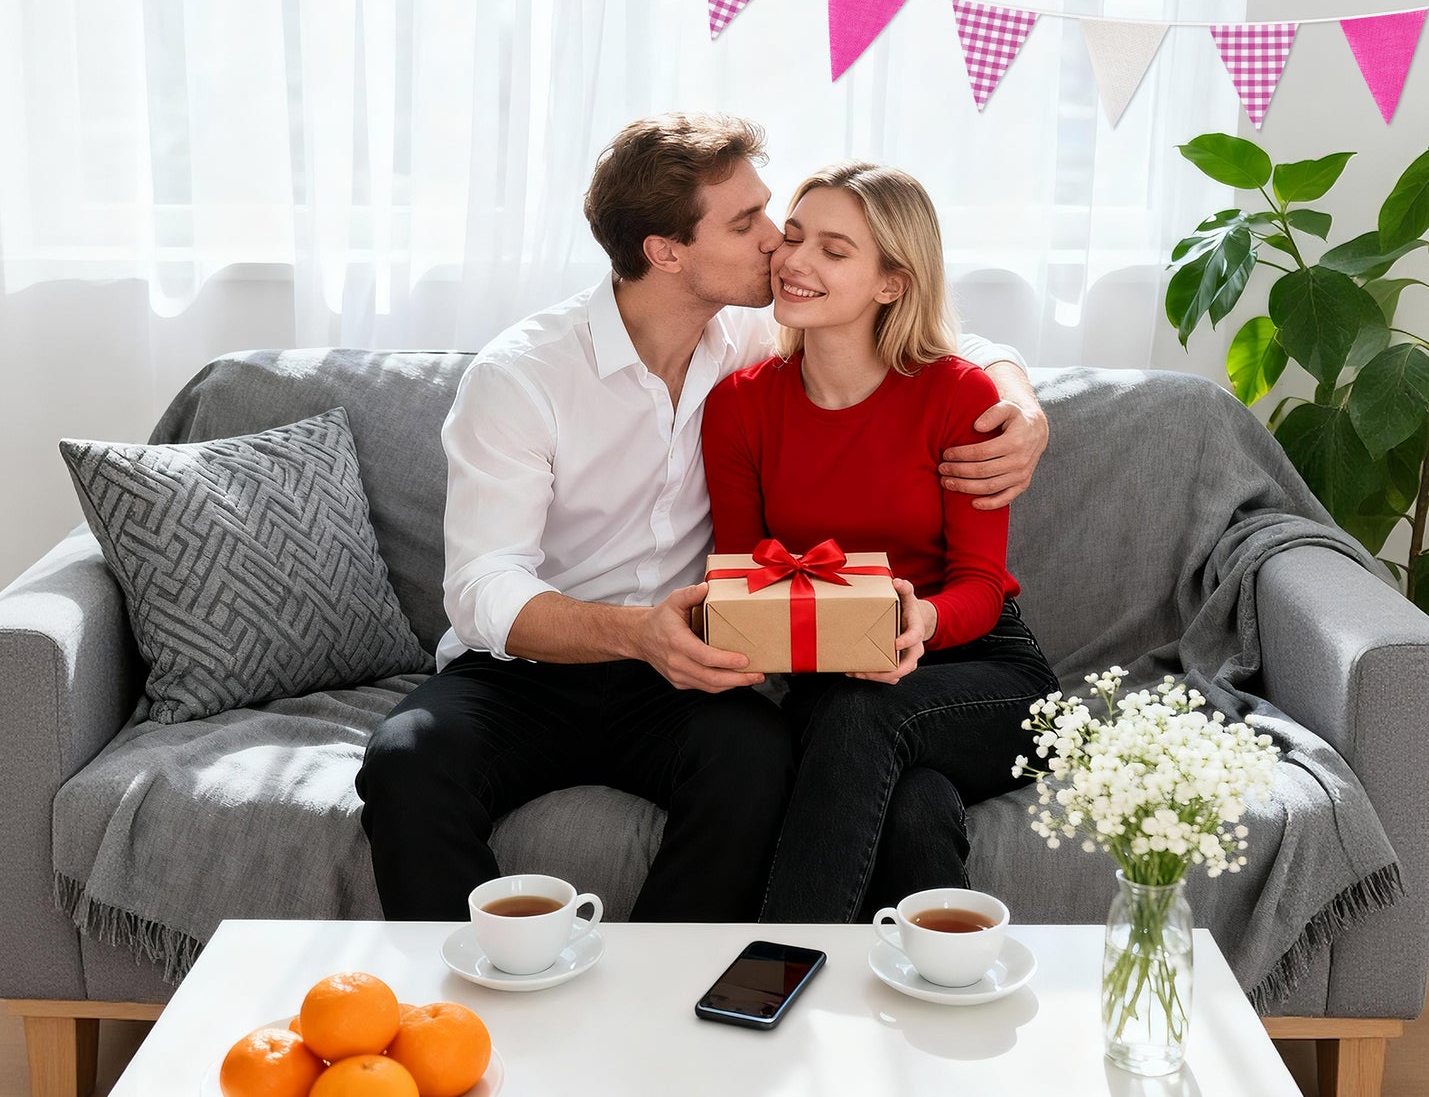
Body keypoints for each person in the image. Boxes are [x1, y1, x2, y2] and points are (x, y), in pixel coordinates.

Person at [357, 115, 1047, 922]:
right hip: (528, 671)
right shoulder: (522, 375)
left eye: (775, 220)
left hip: (679, 676)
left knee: (761, 762)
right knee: (406, 758)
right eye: (751, 223)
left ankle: (664, 1007)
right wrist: (636, 631)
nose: (777, 248)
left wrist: (1023, 403)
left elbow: (923, 331)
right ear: (666, 250)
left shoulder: (754, 328)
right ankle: (463, 1012)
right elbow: (480, 587)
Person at [702, 160, 1058, 922]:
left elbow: (979, 581)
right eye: (792, 236)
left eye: (833, 250)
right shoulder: (739, 406)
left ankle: (775, 967)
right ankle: (937, 1014)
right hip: (834, 683)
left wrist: (920, 619)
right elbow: (745, 577)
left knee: (865, 714)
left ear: (891, 282)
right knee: (913, 807)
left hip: (981, 669)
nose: (794, 260)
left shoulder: (957, 393)